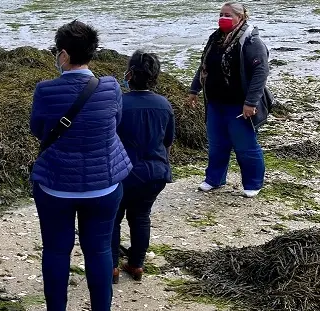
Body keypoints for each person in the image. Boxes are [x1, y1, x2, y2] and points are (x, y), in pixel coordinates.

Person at [30, 20, 132, 311]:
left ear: (63, 54)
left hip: (55, 186)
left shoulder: (45, 90)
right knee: (99, 250)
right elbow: (115, 124)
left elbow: (39, 129)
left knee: (56, 251)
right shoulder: (111, 86)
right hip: (104, 185)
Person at [188, 2, 269, 198]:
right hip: (215, 103)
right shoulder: (215, 38)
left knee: (245, 146)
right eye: (221, 14)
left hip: (239, 105)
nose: (222, 17)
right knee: (217, 144)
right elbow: (204, 65)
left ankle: (253, 183)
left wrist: (250, 103)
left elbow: (261, 72)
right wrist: (194, 90)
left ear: (240, 17)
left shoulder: (251, 41)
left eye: (227, 14)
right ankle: (214, 179)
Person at [111, 51, 175, 283]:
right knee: (141, 217)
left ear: (129, 74)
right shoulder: (163, 104)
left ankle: (112, 268)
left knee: (114, 218)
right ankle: (137, 264)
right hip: (155, 173)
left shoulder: (119, 103)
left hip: (124, 173)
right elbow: (167, 142)